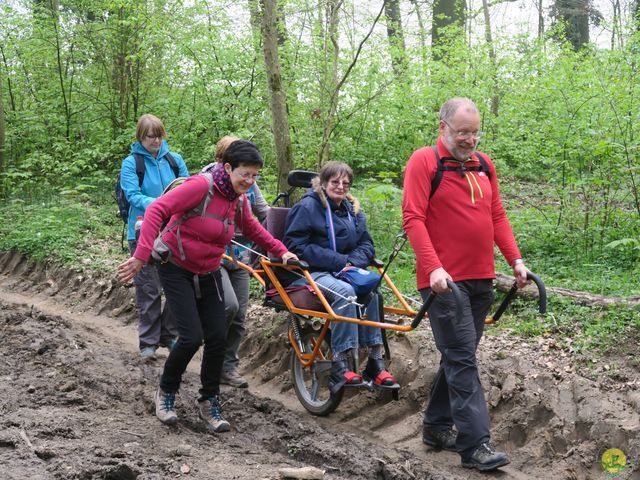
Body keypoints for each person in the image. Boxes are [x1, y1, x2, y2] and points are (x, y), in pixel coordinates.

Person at [117, 140, 298, 433]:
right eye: (246, 174)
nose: (250, 181)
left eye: (255, 176)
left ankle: (209, 400)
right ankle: (165, 393)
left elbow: (253, 229)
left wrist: (282, 250)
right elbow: (155, 212)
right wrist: (140, 256)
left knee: (216, 337)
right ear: (228, 168)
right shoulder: (201, 186)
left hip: (209, 268)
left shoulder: (239, 199)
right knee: (190, 337)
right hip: (175, 267)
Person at [402, 97, 529, 471]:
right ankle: (476, 445)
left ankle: (436, 426)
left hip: (481, 280)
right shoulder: (423, 161)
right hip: (444, 285)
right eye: (462, 133)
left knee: (460, 355)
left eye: (474, 133)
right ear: (443, 127)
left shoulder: (483, 165)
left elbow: (497, 215)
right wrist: (434, 268)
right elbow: (413, 218)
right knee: (461, 358)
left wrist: (515, 260)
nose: (470, 140)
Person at [283, 161, 398, 392]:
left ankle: (375, 361)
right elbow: (294, 245)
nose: (341, 186)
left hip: (345, 271)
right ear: (323, 183)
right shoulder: (307, 207)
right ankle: (340, 362)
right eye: (335, 182)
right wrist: (340, 262)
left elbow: (367, 244)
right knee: (346, 294)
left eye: (346, 182)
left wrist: (352, 263)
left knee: (371, 292)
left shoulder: (351, 210)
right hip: (310, 272)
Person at [120, 114, 189, 361]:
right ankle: (148, 342)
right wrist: (162, 204)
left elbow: (187, 188)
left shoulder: (174, 160)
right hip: (142, 232)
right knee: (148, 288)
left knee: (176, 285)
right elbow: (133, 195)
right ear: (141, 136)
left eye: (159, 135)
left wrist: (174, 208)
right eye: (151, 136)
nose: (156, 141)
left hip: (173, 232)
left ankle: (168, 334)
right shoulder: (131, 163)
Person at [215, 136, 270, 388]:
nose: (248, 178)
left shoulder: (249, 184)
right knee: (228, 306)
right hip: (215, 253)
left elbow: (263, 212)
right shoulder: (208, 180)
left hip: (241, 255)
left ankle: (227, 367)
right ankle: (211, 355)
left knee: (239, 315)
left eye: (252, 172)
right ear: (226, 163)